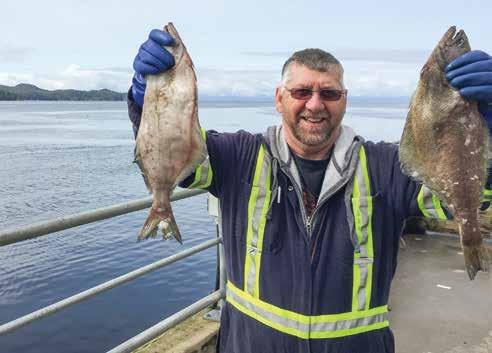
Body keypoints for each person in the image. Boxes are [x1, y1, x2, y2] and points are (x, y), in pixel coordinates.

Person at [127, 29, 492, 353]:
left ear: (344, 100)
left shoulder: (387, 167)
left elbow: (457, 199)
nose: (315, 104)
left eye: (329, 93)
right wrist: (149, 102)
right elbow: (177, 155)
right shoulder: (236, 157)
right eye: (301, 91)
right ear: (279, 98)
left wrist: (486, 133)